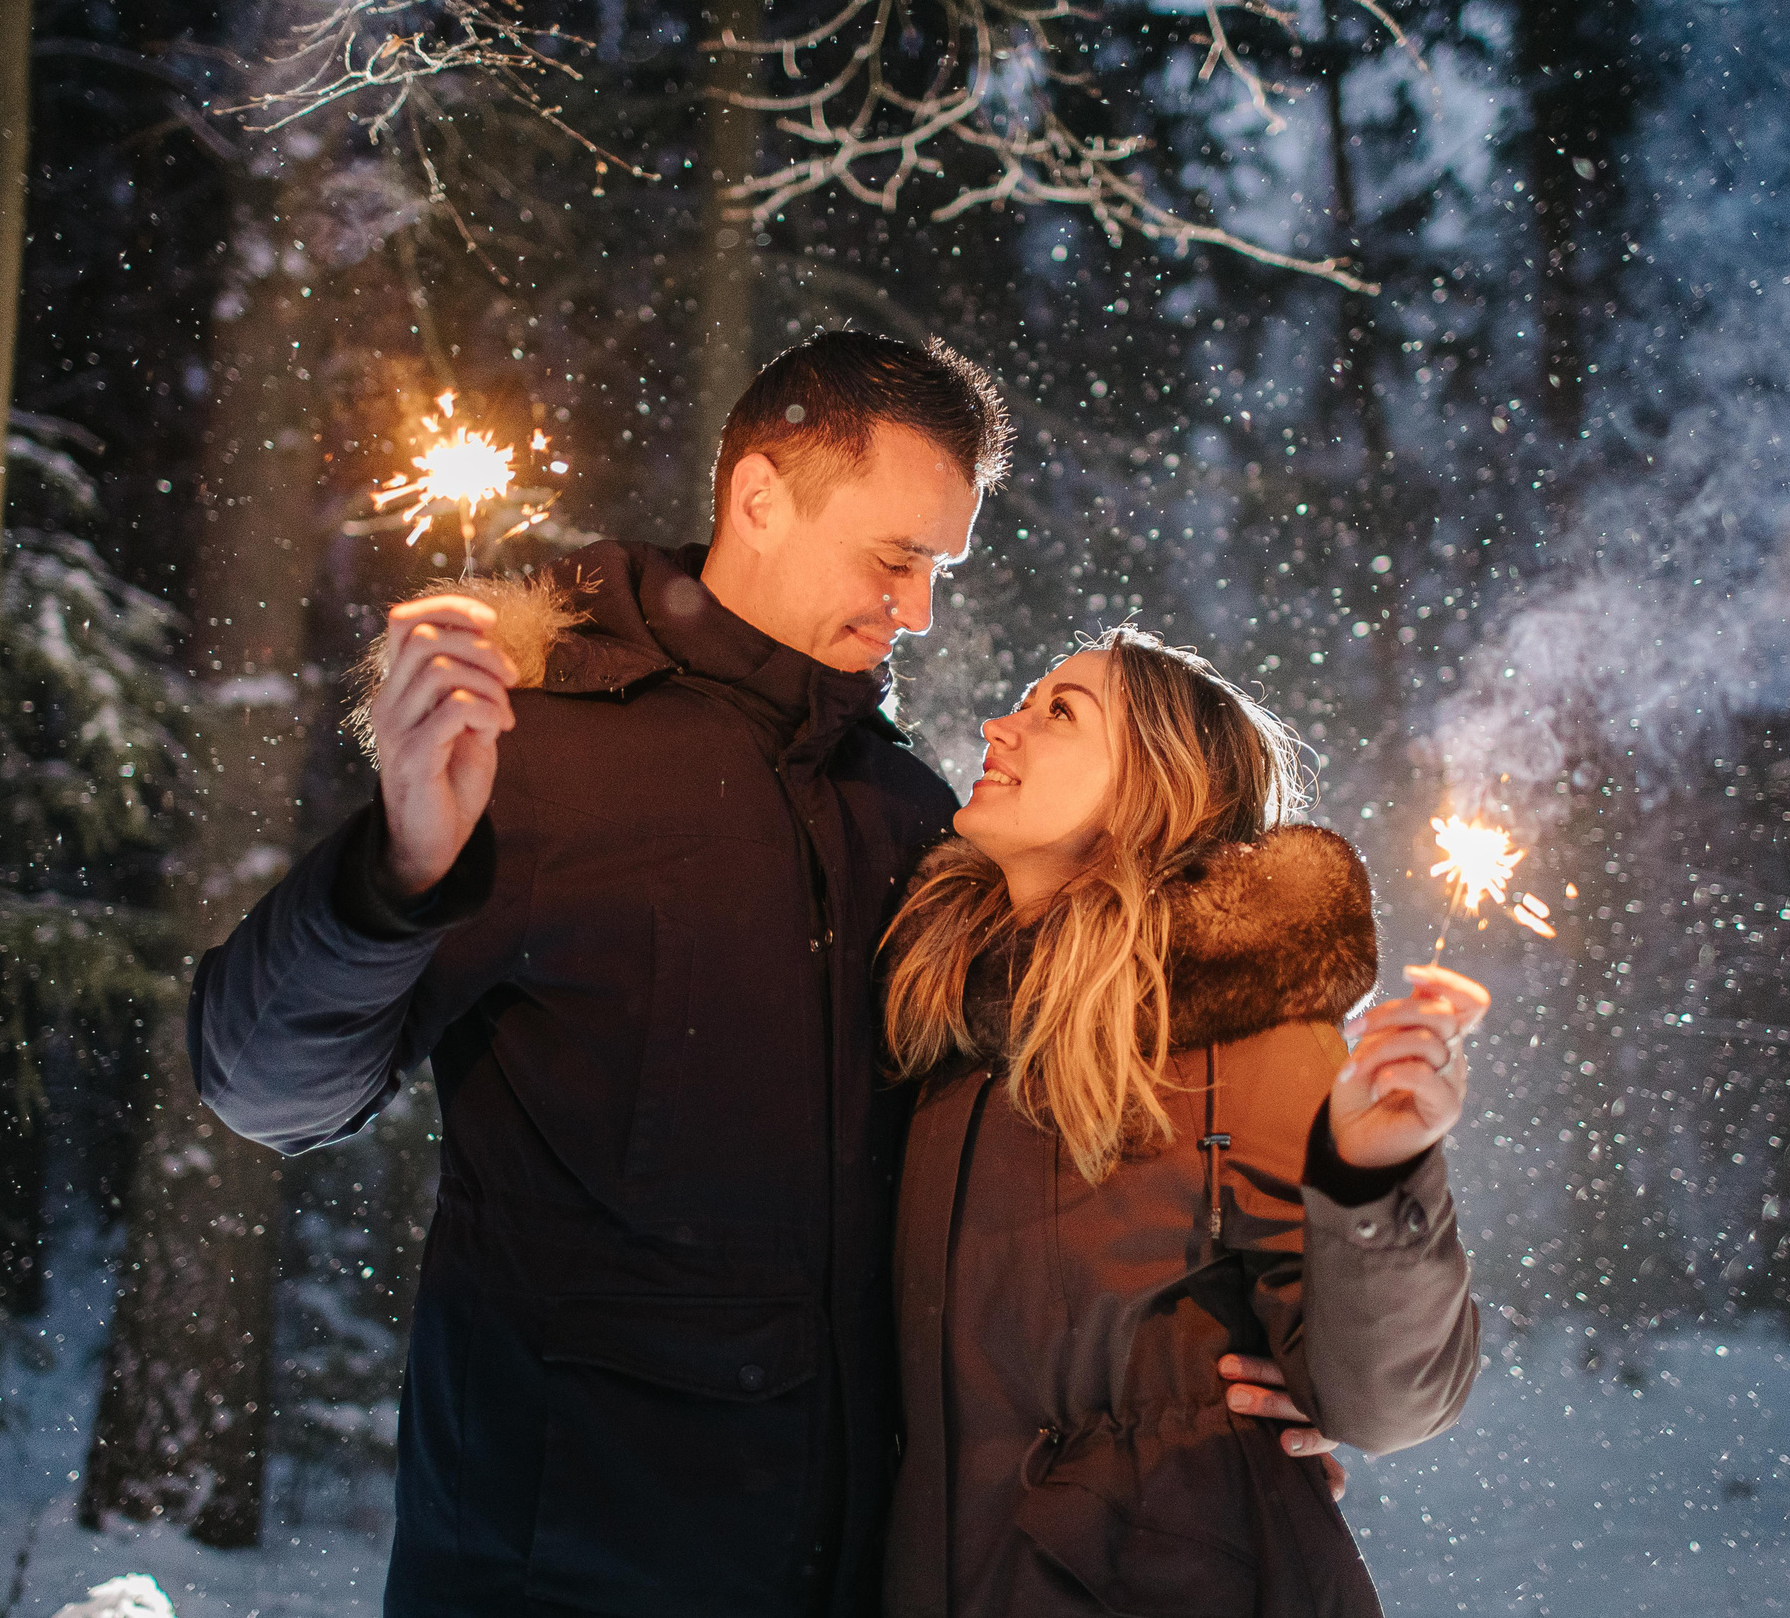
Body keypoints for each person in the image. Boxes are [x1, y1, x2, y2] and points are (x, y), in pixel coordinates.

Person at [187, 332, 1321, 1618]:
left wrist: (1206, 1379)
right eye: (895, 558)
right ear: (761, 498)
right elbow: (262, 1084)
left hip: (848, 1579)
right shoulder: (536, 759)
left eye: (941, 569)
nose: (920, 609)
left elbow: (1021, 1170)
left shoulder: (912, 817)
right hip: (559, 1573)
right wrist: (392, 876)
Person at [879, 626, 1486, 1617]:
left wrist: (1372, 1178)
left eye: (1058, 712)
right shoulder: (942, 1024)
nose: (1001, 728)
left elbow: (1392, 1400)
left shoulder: (1242, 1038)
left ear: (1153, 791)